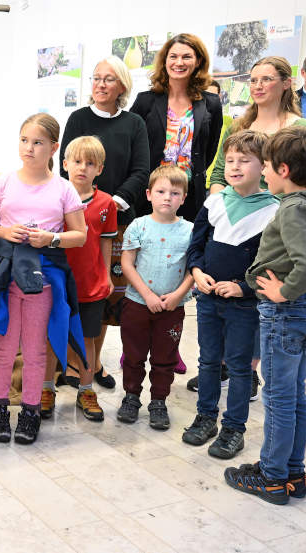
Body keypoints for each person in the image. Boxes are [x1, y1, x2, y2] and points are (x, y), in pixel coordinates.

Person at [225, 126, 306, 504]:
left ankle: (271, 476)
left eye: (266, 165)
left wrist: (286, 291)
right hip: (303, 310)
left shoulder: (295, 209)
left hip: (284, 314)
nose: (263, 172)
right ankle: (291, 473)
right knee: (293, 395)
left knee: (280, 398)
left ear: (282, 169)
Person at [0, 113, 86, 444]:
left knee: (35, 349)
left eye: (38, 142)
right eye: (24, 140)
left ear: (54, 147)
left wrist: (51, 239)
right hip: (6, 276)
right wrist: (4, 230)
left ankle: (30, 411)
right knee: (4, 345)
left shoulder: (63, 188)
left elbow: (80, 235)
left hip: (43, 278)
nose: (29, 148)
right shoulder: (5, 183)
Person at [183, 131, 278, 460]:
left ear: (265, 165)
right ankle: (206, 418)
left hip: (245, 307)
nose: (235, 167)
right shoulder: (214, 202)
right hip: (208, 300)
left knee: (239, 368)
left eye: (245, 161)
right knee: (208, 361)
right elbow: (195, 246)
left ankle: (233, 428)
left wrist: (243, 287)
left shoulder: (275, 210)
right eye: (231, 160)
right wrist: (197, 272)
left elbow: (277, 264)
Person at [58, 56, 149, 389]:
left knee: (107, 296)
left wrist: (111, 203)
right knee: (73, 291)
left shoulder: (134, 124)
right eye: (96, 78)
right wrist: (75, 207)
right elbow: (64, 165)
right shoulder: (78, 118)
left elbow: (142, 170)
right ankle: (70, 361)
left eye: (109, 79)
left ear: (122, 86)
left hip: (117, 220)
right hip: (75, 217)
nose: (100, 84)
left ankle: (94, 363)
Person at [116, 165, 194, 430]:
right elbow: (127, 264)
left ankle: (158, 401)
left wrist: (177, 296)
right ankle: (131, 396)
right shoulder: (138, 226)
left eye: (174, 193)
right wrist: (147, 295)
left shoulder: (190, 231)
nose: (167, 197)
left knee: (165, 357)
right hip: (138, 303)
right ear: (149, 194)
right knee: (134, 353)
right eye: (161, 191)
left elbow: (194, 269)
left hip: (172, 307)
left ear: (184, 198)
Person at [52, 136, 117, 422]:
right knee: (49, 338)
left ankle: (87, 390)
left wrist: (105, 273)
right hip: (56, 282)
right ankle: (45, 389)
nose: (83, 168)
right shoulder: (53, 195)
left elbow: (106, 242)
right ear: (64, 164)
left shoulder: (106, 204)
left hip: (91, 285)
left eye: (90, 163)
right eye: (77, 161)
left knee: (88, 338)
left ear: (100, 169)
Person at [130, 33, 224, 223]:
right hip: (150, 194)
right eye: (173, 56)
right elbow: (132, 146)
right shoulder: (145, 101)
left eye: (186, 57)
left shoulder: (211, 103)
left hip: (190, 194)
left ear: (198, 61)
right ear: (165, 61)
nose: (179, 62)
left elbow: (210, 149)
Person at [209, 57, 306, 194]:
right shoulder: (237, 128)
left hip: (281, 211)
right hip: (235, 208)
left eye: (267, 79)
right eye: (253, 80)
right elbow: (219, 176)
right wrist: (220, 207)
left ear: (286, 83)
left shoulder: (302, 130)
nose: (258, 86)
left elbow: (305, 184)